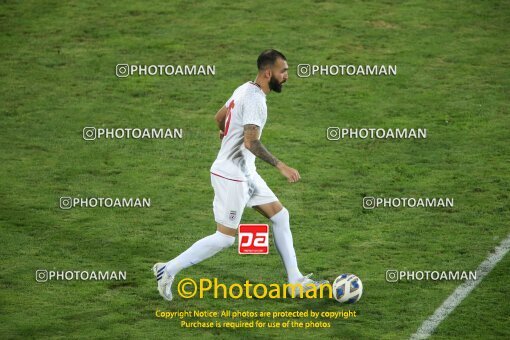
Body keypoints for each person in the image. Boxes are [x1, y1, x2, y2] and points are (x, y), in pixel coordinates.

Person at [153, 49, 327, 301]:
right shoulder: (255, 99)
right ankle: (166, 270)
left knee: (280, 216)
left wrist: (224, 134)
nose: (287, 75)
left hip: (246, 172)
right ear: (269, 73)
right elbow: (251, 143)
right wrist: (281, 166)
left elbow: (219, 117)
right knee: (224, 238)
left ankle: (295, 281)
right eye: (283, 71)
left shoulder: (243, 88)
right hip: (232, 176)